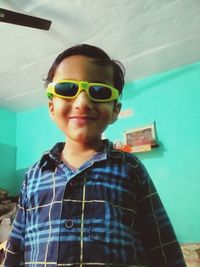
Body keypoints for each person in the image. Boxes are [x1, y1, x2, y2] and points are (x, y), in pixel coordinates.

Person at [3, 44, 186, 267]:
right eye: (68, 89)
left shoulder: (131, 168)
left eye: (99, 92)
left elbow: (162, 245)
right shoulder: (33, 175)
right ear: (51, 107)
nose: (82, 102)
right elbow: (15, 249)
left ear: (115, 111)